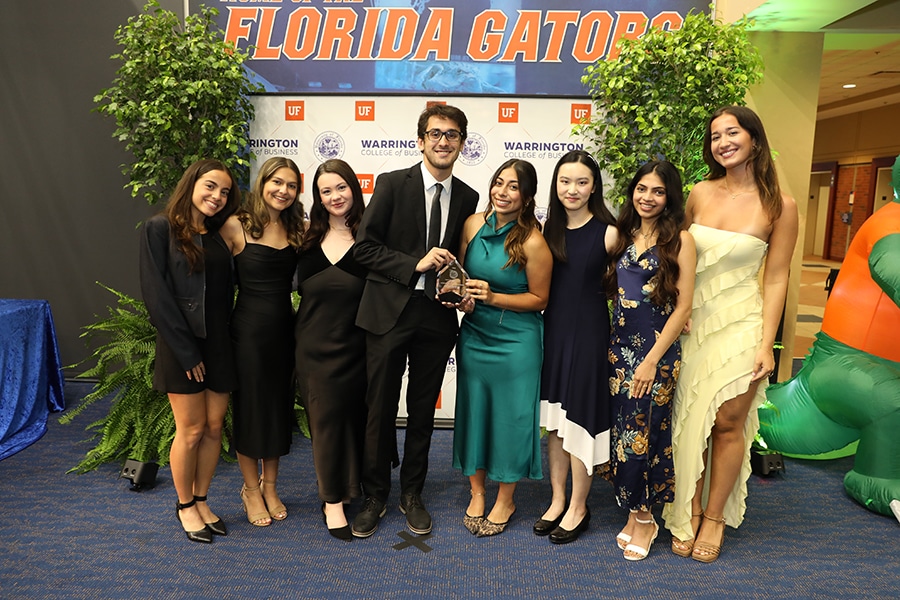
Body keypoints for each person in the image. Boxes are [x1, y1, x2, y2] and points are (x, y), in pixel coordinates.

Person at [661, 106, 798, 563]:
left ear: (754, 139)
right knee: (689, 422)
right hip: (691, 322)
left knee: (727, 423)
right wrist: (677, 310)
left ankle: (714, 517)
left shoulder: (781, 204)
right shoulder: (699, 193)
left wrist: (767, 343)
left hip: (743, 324)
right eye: (715, 135)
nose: (723, 142)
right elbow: (676, 255)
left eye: (732, 132)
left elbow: (776, 278)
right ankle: (688, 508)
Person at [352, 104, 479, 538]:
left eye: (453, 135)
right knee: (380, 410)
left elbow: (460, 260)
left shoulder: (468, 196)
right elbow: (363, 249)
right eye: (436, 133)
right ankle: (375, 496)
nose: (444, 141)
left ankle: (412, 494)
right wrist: (414, 264)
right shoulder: (390, 184)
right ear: (421, 140)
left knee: (423, 412)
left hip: (436, 319)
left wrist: (462, 288)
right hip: (387, 315)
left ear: (462, 143)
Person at [138, 158, 240, 543]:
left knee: (214, 428)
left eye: (225, 191)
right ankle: (184, 506)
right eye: (211, 186)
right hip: (183, 344)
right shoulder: (159, 228)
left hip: (218, 342)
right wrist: (186, 352)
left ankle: (201, 499)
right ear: (192, 184)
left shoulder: (217, 235)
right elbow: (157, 296)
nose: (217, 196)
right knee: (192, 428)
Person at [453, 158, 552, 536]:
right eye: (499, 183)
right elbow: (461, 278)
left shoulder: (533, 241)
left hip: (516, 340)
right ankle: (477, 491)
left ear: (526, 198)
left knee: (511, 419)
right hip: (475, 334)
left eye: (513, 187)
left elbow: (540, 299)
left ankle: (506, 498)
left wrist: (493, 298)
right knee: (474, 411)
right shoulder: (473, 225)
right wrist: (463, 298)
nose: (503, 192)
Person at [604, 160, 696, 560]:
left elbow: (684, 306)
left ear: (669, 196)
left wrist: (650, 361)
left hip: (655, 357)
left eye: (657, 191)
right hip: (618, 351)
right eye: (642, 188)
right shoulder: (620, 236)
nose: (648, 197)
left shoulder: (681, 241)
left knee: (646, 435)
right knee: (623, 436)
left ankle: (645, 518)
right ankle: (634, 511)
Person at [534, 150, 617, 545]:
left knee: (580, 420)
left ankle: (580, 507)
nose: (573, 189)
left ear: (594, 187)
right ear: (556, 185)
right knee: (556, 424)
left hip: (589, 336)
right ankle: (557, 499)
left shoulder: (609, 231)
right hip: (552, 332)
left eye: (582, 182)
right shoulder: (546, 229)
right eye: (565, 181)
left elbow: (632, 287)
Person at [219, 157, 304, 528]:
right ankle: (250, 489)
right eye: (277, 183)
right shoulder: (235, 225)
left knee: (278, 409)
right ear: (261, 182)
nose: (283, 191)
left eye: (291, 185)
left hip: (284, 332)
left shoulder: (297, 227)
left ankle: (271, 486)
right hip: (248, 334)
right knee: (252, 410)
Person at [295, 159, 368, 542]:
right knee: (325, 421)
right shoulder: (304, 239)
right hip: (314, 348)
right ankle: (332, 501)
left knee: (352, 420)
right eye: (326, 191)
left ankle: (351, 488)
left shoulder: (371, 237)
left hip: (359, 347)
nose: (335, 196)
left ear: (354, 189)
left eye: (341, 187)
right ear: (318, 198)